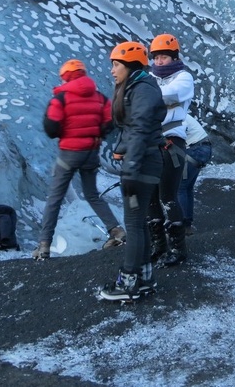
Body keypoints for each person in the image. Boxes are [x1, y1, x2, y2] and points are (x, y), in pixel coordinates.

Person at [33, 59, 124, 260]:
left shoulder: (61, 98)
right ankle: (116, 230)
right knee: (92, 195)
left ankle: (44, 244)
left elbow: (51, 128)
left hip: (69, 154)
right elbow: (110, 121)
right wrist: (96, 133)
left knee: (55, 198)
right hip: (92, 153)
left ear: (65, 76)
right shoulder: (99, 97)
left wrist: (68, 132)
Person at [98, 41, 167, 301]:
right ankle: (145, 279)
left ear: (131, 65)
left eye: (116, 64)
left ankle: (128, 283)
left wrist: (132, 166)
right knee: (139, 222)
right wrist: (121, 148)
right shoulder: (135, 87)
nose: (113, 70)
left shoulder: (143, 89)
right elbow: (131, 129)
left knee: (134, 223)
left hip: (143, 163)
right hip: (142, 161)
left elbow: (140, 128)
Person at [148, 34, 195, 267]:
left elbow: (168, 97)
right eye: (156, 57)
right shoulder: (151, 79)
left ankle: (178, 249)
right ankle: (159, 247)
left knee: (167, 195)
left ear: (174, 56)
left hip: (172, 141)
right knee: (151, 197)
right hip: (151, 141)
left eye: (164, 56)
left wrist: (142, 96)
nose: (159, 61)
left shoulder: (184, 78)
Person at [177, 114, 212, 234]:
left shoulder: (173, 115)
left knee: (180, 188)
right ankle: (187, 224)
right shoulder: (178, 112)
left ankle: (182, 225)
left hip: (195, 150)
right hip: (202, 148)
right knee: (187, 188)